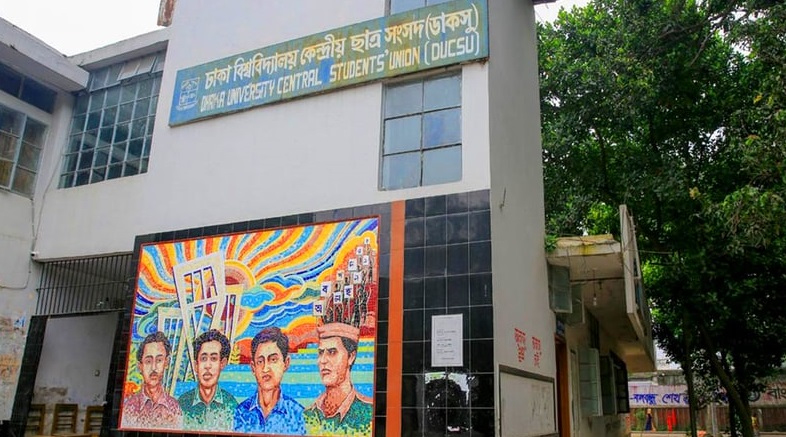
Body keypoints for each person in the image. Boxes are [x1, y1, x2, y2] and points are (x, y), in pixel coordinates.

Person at [304, 322, 373, 436]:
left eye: (332, 352)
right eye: (320, 353)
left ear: (351, 357)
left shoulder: (369, 413)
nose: (323, 360)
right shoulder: (307, 415)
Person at [234, 327, 306, 434]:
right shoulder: (240, 413)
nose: (265, 369)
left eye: (273, 360)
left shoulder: (298, 415)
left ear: (286, 363)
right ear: (253, 368)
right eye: (260, 361)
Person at [178, 329, 238, 431]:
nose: (207, 366)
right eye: (203, 358)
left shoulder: (231, 406)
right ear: (196, 365)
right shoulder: (182, 404)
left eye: (214, 358)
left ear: (222, 363)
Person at [121, 332, 183, 429]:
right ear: (140, 366)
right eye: (148, 361)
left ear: (166, 363)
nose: (154, 368)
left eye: (159, 360)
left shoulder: (174, 408)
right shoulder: (128, 408)